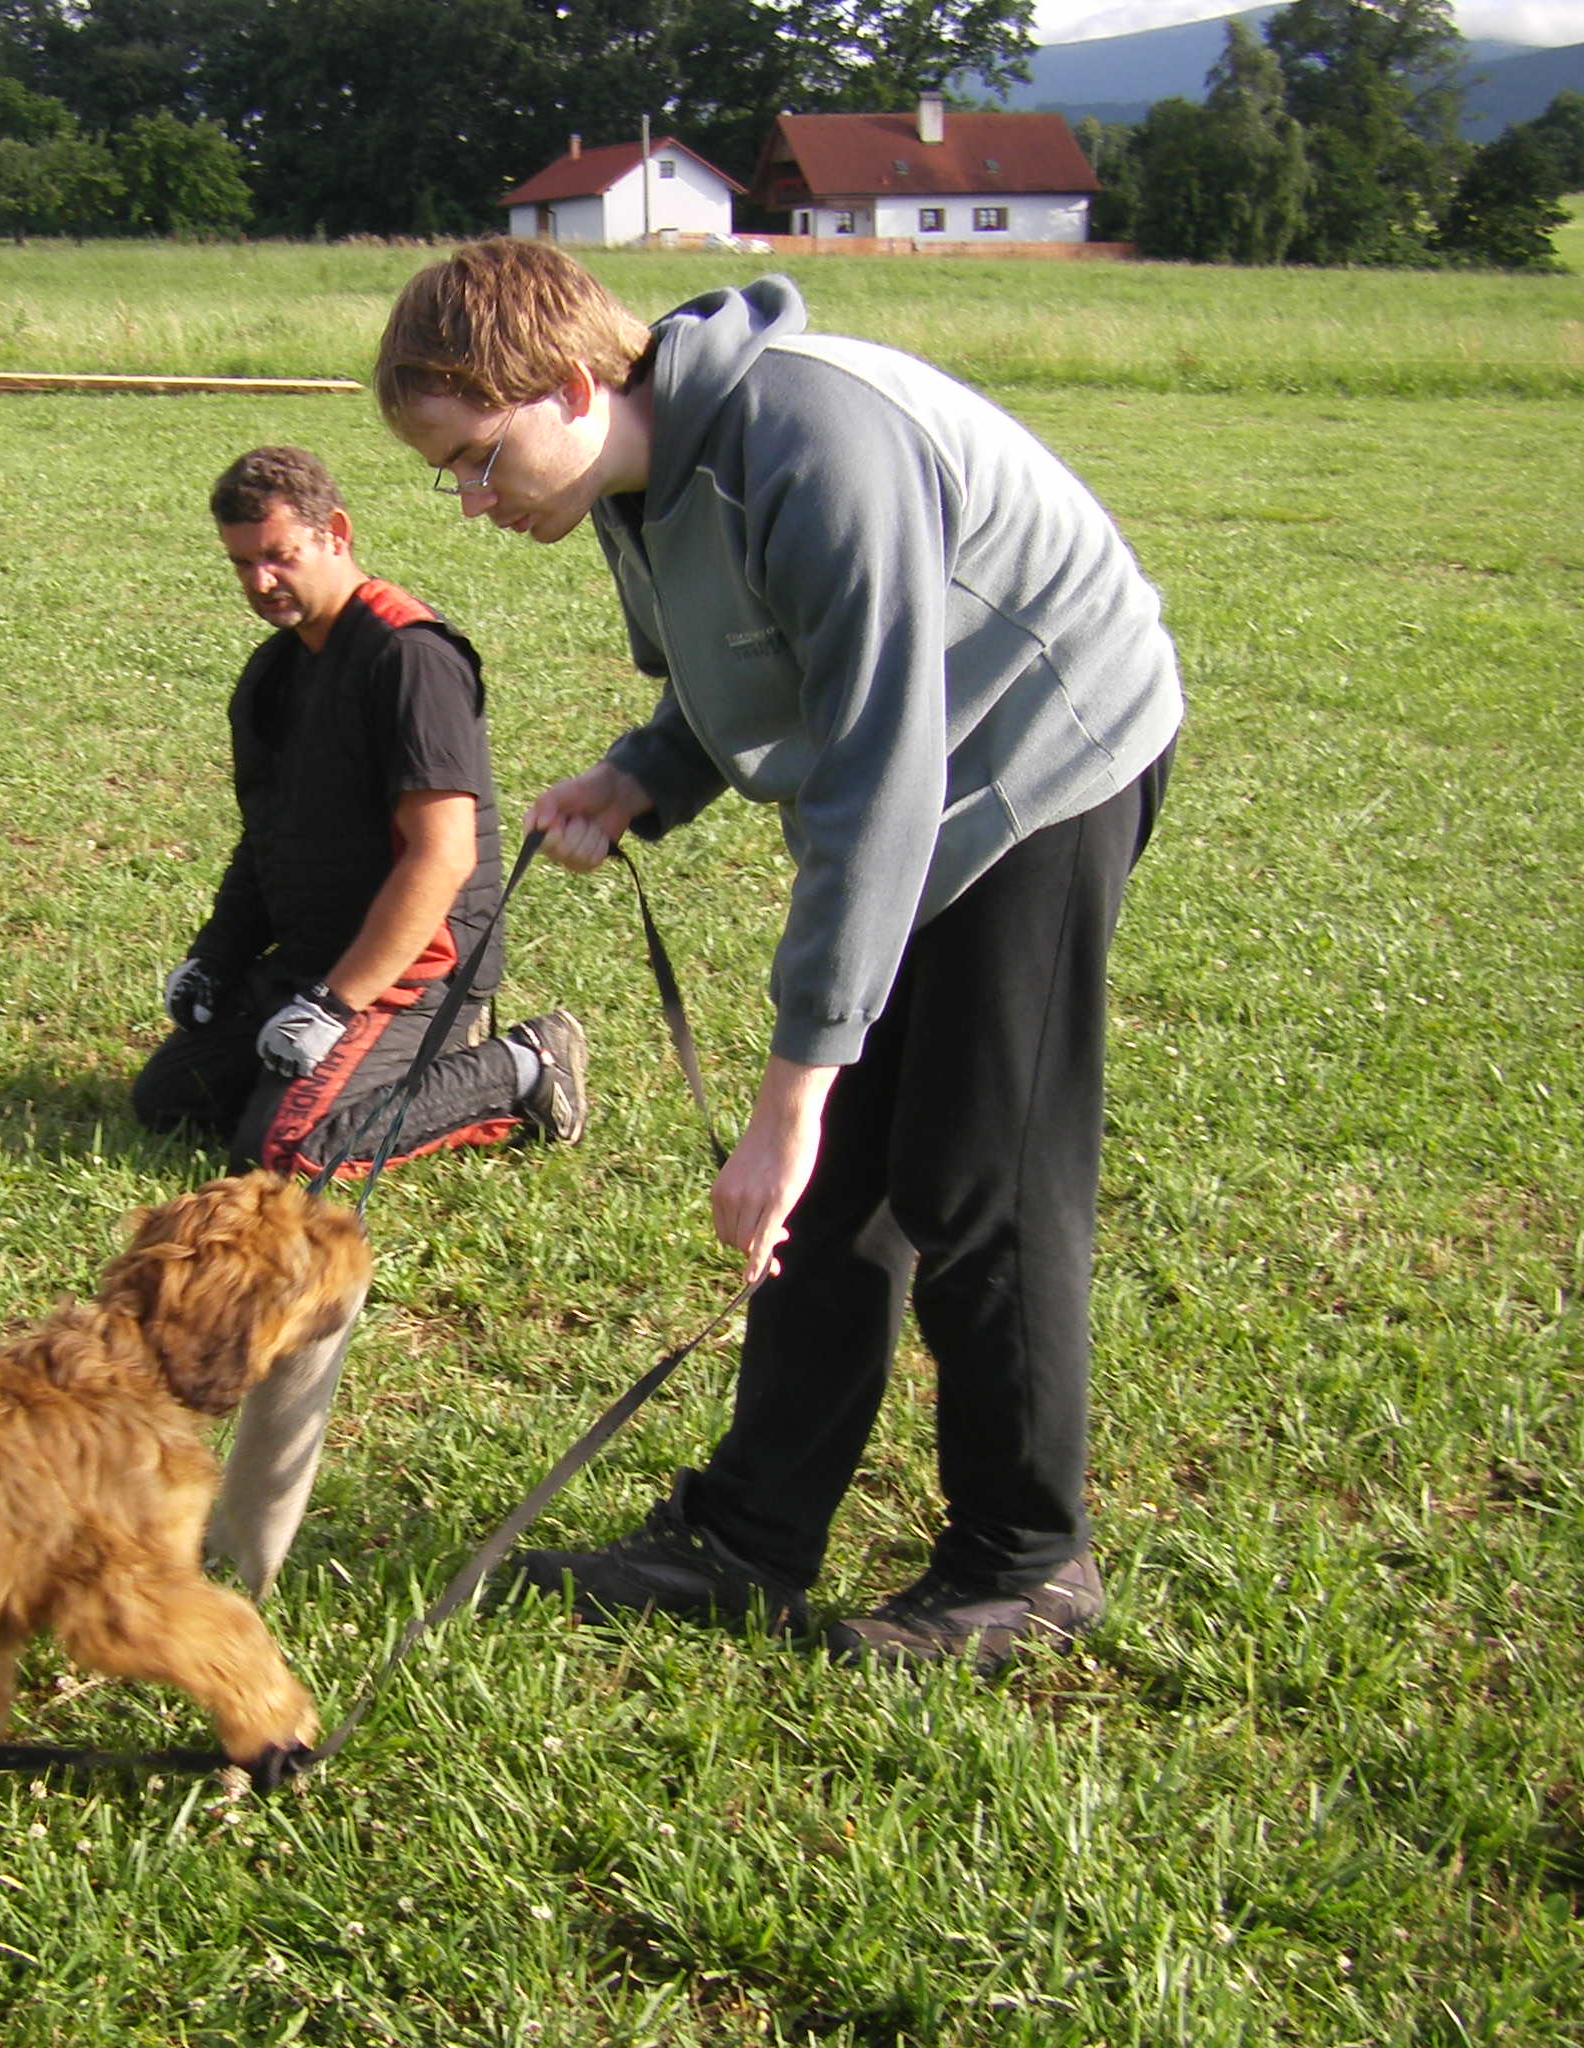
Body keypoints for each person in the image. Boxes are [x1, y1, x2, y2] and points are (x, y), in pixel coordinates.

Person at [373, 241, 1182, 1672]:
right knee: (845, 1197)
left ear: (571, 385)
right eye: (448, 474)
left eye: (480, 458)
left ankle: (1028, 1561)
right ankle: (747, 1538)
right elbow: (747, 668)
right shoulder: (635, 480)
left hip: (1044, 754)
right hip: (918, 767)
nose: (471, 499)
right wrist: (643, 775)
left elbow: (881, 772)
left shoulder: (810, 450)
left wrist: (789, 1098)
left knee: (973, 1180)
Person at [132, 444, 587, 1180]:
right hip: (316, 957)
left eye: (278, 556)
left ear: (334, 532)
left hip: (415, 969)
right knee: (168, 1100)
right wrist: (216, 959)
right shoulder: (274, 672)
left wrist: (337, 1005)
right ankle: (338, 1069)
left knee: (284, 1151)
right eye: (242, 564)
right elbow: (266, 839)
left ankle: (520, 1066)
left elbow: (444, 856)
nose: (260, 581)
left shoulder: (409, 659)